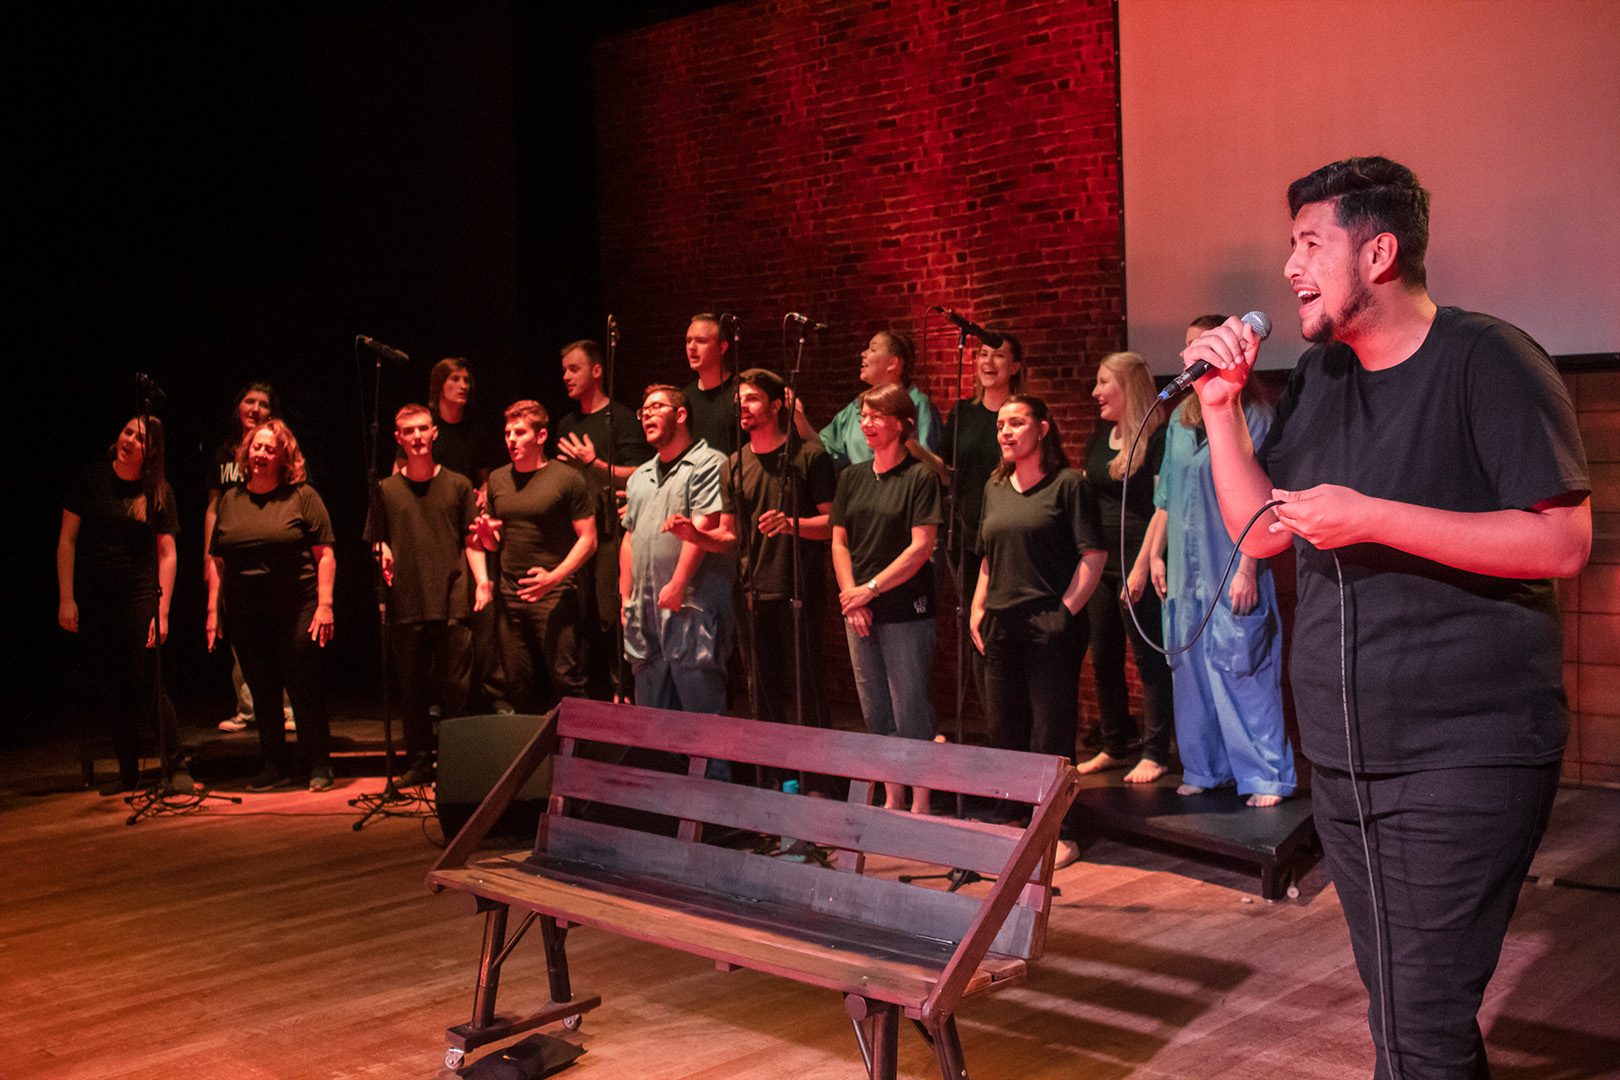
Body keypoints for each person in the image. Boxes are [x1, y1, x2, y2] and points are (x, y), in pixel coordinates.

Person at [1183, 155, 1589, 1079]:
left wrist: (1374, 519)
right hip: (1347, 756)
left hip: (1465, 754)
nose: (1289, 267)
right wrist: (1222, 411)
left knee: (1420, 1026)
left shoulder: (1490, 360)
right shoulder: (1323, 374)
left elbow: (1563, 543)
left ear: (1378, 253)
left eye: (1309, 244)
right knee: (1407, 1018)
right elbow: (1261, 531)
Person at [1143, 317, 1296, 808]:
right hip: (1185, 573)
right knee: (1188, 671)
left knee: (1243, 669)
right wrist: (1152, 557)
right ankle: (1205, 768)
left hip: (1230, 566)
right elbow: (1166, 499)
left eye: (1202, 344)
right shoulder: (1178, 425)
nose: (1192, 354)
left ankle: (1265, 775)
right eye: (1188, 346)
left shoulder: (1257, 418)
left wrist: (1248, 567)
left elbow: (1266, 502)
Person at [969, 395, 1105, 868]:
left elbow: (1094, 555)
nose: (1005, 432)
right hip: (1000, 624)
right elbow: (988, 557)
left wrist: (1064, 612)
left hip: (1049, 625)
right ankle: (1009, 822)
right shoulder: (994, 487)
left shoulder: (1068, 485)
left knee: (1051, 735)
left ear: (1042, 429)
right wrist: (977, 608)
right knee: (1003, 731)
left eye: (1016, 422)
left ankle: (1060, 832)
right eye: (1000, 425)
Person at [58, 415, 189, 795]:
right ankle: (129, 773)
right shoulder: (89, 479)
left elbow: (167, 552)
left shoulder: (158, 490)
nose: (130, 439)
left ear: (153, 452)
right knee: (113, 686)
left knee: (149, 680)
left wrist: (162, 610)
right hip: (96, 595)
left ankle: (176, 767)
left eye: (141, 438)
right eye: (128, 431)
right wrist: (67, 597)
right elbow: (67, 541)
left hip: (139, 593)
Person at [206, 419, 338, 792]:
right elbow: (218, 561)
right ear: (246, 453)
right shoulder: (231, 500)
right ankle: (274, 765)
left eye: (270, 448)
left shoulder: (302, 496)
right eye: (256, 447)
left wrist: (325, 604)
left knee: (303, 685)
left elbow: (325, 555)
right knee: (262, 690)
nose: (261, 454)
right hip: (246, 609)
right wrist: (214, 611)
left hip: (297, 605)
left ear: (283, 457)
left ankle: (319, 763)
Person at [830, 384, 943, 813]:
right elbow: (840, 543)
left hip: (905, 609)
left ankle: (921, 802)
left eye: (876, 415)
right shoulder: (852, 477)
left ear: (900, 423)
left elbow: (920, 548)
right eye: (863, 415)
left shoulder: (919, 477)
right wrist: (853, 597)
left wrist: (871, 588)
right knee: (876, 712)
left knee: (910, 710)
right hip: (859, 611)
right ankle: (893, 797)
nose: (867, 423)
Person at [365, 405, 492, 787]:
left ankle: (454, 765)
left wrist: (482, 581)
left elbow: (472, 540)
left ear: (434, 433)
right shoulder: (385, 490)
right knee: (413, 690)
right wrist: (383, 551)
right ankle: (419, 763)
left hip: (451, 594)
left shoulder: (457, 484)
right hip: (407, 598)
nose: (417, 436)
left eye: (423, 429)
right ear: (398, 438)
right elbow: (377, 539)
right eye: (409, 431)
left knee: (456, 688)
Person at [729, 368, 837, 756]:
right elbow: (730, 533)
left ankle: (819, 774)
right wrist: (693, 534)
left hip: (798, 586)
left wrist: (791, 524)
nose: (743, 406)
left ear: (776, 406)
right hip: (752, 590)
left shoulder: (808, 457)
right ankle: (772, 773)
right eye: (739, 399)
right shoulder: (734, 463)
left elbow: (834, 524)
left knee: (806, 685)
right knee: (761, 688)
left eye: (752, 398)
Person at [1081, 351, 1175, 783]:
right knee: (1103, 656)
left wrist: (1140, 567)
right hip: (1101, 562)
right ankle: (1114, 744)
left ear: (1128, 386)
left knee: (1148, 657)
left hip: (1140, 558)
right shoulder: (1100, 438)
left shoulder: (1157, 438)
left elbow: (1163, 508)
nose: (1095, 392)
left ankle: (1155, 752)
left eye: (1104, 382)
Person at [471, 401, 596, 715]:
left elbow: (589, 540)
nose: (511, 439)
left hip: (554, 594)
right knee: (518, 682)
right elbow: (495, 544)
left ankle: (580, 745)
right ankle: (534, 747)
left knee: (566, 679)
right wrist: (486, 533)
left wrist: (554, 578)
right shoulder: (498, 479)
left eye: (520, 432)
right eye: (508, 433)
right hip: (511, 596)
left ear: (540, 436)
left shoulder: (567, 478)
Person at [620, 385, 736, 718]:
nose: (647, 415)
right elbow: (629, 538)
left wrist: (678, 582)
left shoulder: (709, 463)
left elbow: (703, 527)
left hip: (690, 607)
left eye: (656, 407)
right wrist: (625, 596)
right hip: (645, 610)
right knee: (651, 717)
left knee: (700, 714)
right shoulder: (640, 476)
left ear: (681, 414)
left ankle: (711, 759)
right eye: (644, 411)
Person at [552, 339, 654, 701]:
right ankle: (588, 699)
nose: (566, 377)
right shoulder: (567, 422)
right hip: (578, 531)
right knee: (581, 614)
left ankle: (623, 691)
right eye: (564, 370)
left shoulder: (621, 419)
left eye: (574, 369)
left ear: (597, 371)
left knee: (611, 613)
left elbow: (641, 473)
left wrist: (594, 465)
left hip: (612, 531)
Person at [206, 381, 292, 734]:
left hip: (273, 552)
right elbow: (214, 508)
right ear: (238, 407)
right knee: (241, 635)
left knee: (281, 635)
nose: (255, 409)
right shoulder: (223, 455)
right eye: (249, 401)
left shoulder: (280, 448)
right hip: (234, 553)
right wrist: (209, 556)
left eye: (263, 403)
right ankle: (247, 708)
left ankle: (286, 707)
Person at [943, 331, 1022, 711]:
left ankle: (1013, 716)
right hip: (967, 534)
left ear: (1016, 366)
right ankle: (994, 721)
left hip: (1009, 535)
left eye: (999, 355)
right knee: (976, 624)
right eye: (983, 354)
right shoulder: (962, 414)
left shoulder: (1023, 415)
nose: (988, 362)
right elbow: (946, 471)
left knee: (1007, 623)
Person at [806, 330, 944, 471]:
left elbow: (930, 466)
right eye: (864, 416)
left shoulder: (918, 404)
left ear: (892, 363)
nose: (863, 354)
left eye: (873, 349)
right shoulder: (856, 407)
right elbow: (824, 451)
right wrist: (799, 420)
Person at [680, 314, 739, 456]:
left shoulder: (741, 391)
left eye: (701, 341)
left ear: (722, 348)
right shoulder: (685, 397)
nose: (692, 347)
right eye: (688, 341)